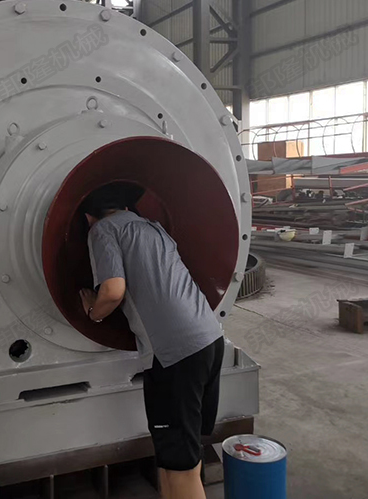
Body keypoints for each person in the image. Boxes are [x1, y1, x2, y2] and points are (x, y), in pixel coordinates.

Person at [79, 183, 224, 499]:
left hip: (175, 354)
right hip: (210, 340)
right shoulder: (151, 227)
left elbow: (113, 291)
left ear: (90, 217)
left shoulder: (103, 229)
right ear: (127, 208)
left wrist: (93, 312)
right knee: (180, 457)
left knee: (180, 465)